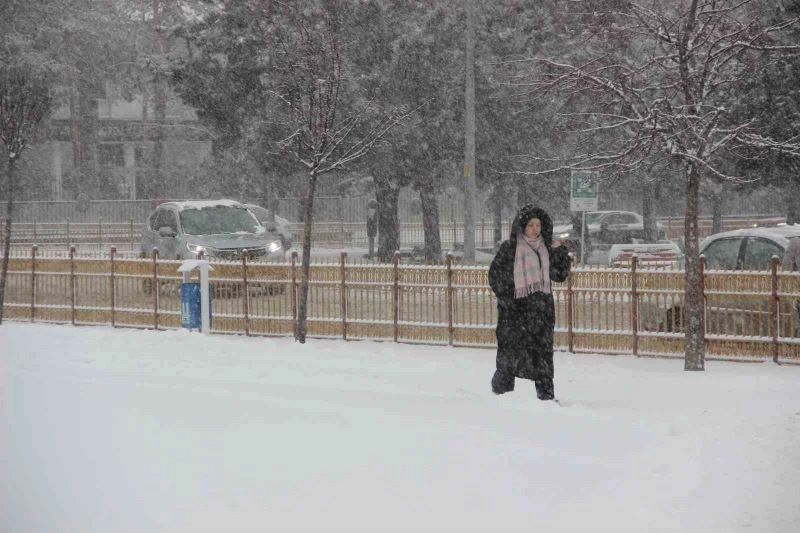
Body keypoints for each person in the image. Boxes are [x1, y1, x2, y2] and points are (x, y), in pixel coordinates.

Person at [488, 205, 572, 400]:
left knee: (542, 355)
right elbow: (495, 275)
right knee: (510, 354)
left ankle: (546, 396)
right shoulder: (511, 248)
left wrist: (560, 253)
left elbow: (559, 275)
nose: (535, 229)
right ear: (522, 226)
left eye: (538, 225)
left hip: (541, 312)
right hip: (515, 314)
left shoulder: (547, 248)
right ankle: (501, 394)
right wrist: (509, 299)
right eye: (531, 225)